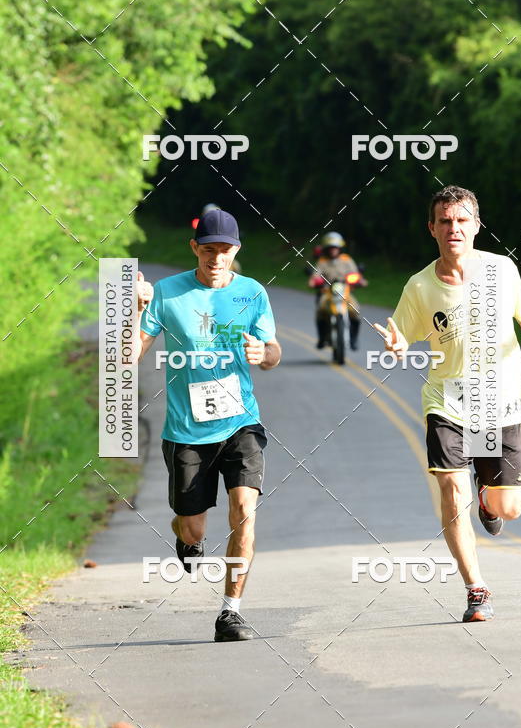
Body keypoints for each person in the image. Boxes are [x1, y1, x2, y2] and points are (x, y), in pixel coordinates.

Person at [375, 185, 521, 623]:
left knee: (509, 508)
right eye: (445, 221)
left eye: (462, 220)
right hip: (448, 402)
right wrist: (396, 344)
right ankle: (475, 588)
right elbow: (402, 337)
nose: (454, 229)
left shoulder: (501, 269)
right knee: (450, 488)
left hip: (498, 403)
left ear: (477, 225)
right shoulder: (420, 286)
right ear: (432, 228)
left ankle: (489, 499)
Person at [134, 208, 281, 641]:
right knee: (193, 525)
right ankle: (186, 536)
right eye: (208, 250)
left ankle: (230, 612)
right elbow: (129, 355)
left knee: (244, 513)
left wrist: (263, 356)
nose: (216, 258)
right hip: (185, 433)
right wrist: (135, 308)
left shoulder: (252, 292)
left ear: (236, 250)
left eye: (225, 250)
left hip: (241, 424)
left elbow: (272, 350)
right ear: (194, 248)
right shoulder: (167, 292)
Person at [308, 232, 364, 350]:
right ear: (326, 249)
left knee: (356, 310)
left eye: (335, 248)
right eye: (330, 248)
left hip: (345, 293)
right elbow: (315, 276)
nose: (333, 250)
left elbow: (356, 274)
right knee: (320, 311)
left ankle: (353, 339)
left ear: (340, 248)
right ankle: (322, 338)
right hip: (327, 293)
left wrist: (360, 280)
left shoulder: (347, 260)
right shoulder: (322, 261)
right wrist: (314, 281)